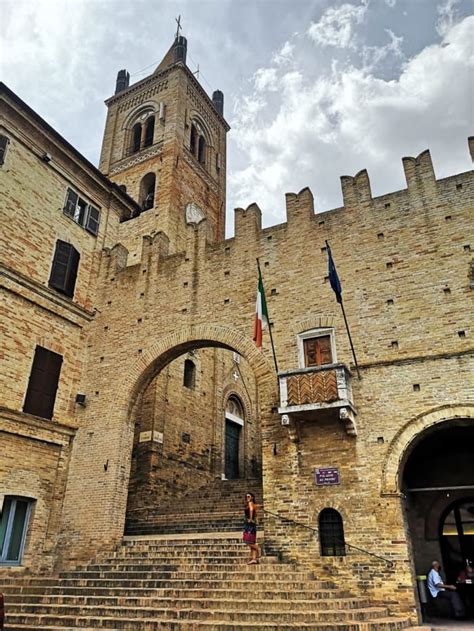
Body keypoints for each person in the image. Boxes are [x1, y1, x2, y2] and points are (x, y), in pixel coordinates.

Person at [243, 492, 261, 565]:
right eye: (246, 497)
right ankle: (254, 559)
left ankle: (258, 549)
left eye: (249, 496)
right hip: (252, 525)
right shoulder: (254, 505)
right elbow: (256, 513)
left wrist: (250, 519)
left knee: (247, 540)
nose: (247, 498)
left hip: (249, 525)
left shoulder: (250, 503)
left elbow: (250, 510)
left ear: (252, 498)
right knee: (251, 541)